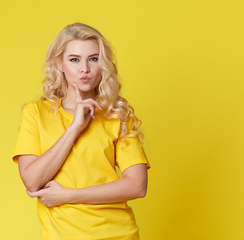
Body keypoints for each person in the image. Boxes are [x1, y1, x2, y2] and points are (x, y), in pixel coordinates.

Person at [12, 23, 150, 240]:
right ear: (59, 63)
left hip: (118, 234)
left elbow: (138, 185)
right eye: (74, 59)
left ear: (103, 65)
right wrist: (75, 128)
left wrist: (68, 196)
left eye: (93, 59)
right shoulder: (36, 114)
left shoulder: (117, 115)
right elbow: (32, 181)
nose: (84, 69)